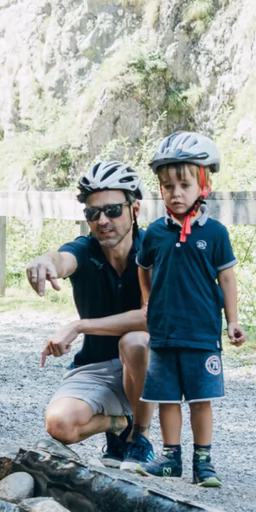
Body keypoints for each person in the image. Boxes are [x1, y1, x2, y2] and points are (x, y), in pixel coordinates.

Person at [25, 161, 156, 468]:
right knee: (60, 425)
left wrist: (80, 326)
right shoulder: (86, 250)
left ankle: (140, 436)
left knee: (135, 342)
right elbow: (63, 259)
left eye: (112, 210)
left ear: (134, 209)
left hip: (148, 365)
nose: (103, 220)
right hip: (97, 366)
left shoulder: (154, 250)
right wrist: (44, 262)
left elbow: (153, 317)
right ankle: (118, 424)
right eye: (92, 213)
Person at [134, 131, 245, 487]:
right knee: (167, 398)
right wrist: (147, 300)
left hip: (201, 334)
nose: (176, 193)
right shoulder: (154, 232)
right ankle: (170, 458)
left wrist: (233, 321)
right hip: (164, 334)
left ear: (203, 185)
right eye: (167, 187)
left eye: (183, 185)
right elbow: (143, 267)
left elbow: (227, 279)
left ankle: (204, 461)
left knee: (200, 399)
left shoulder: (215, 233)